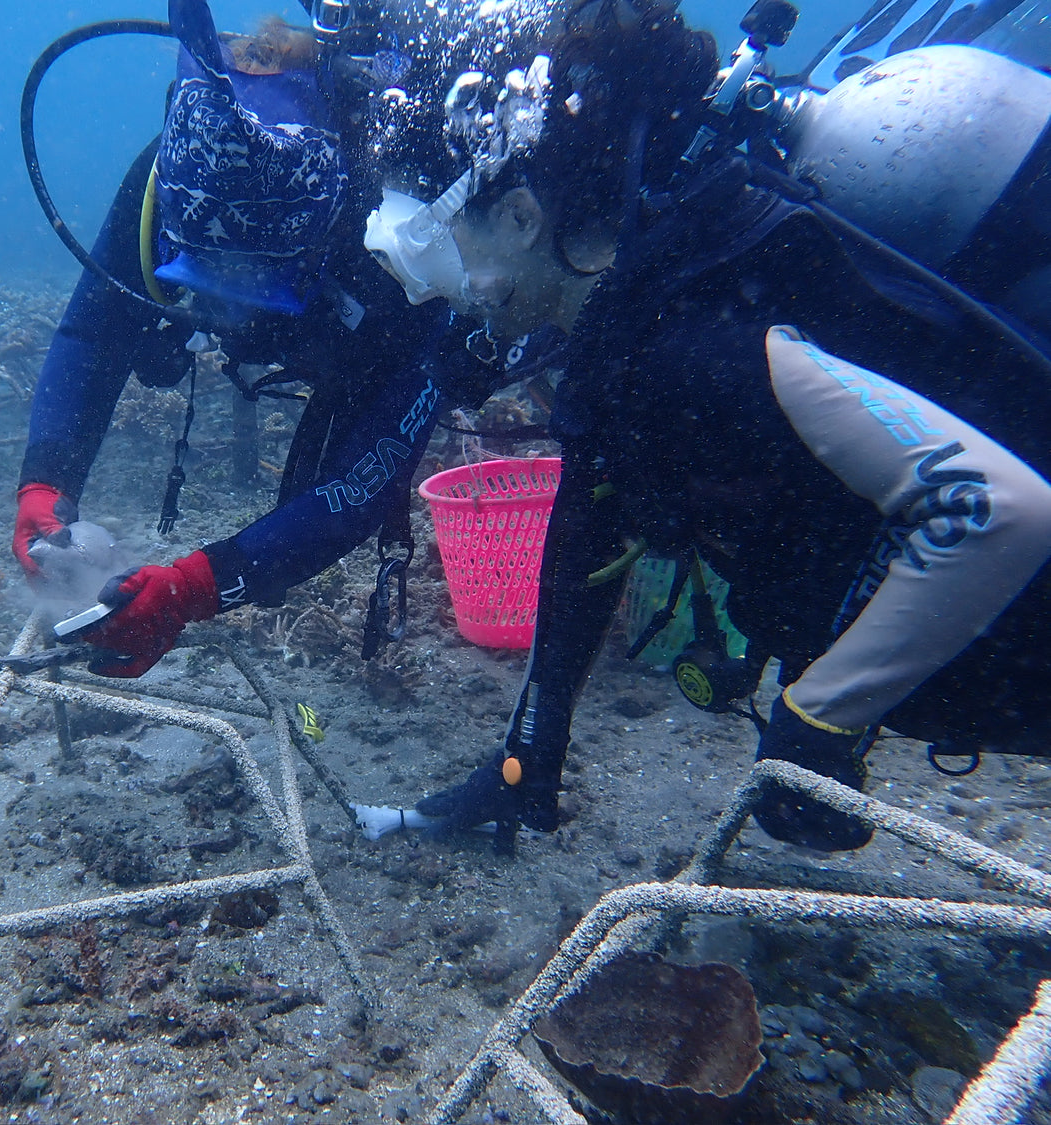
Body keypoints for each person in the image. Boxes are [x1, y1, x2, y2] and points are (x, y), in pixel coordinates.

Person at [363, 0, 1051, 851]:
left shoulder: (685, 349)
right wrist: (527, 759)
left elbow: (995, 508)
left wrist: (819, 718)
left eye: (431, 247)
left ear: (518, 218)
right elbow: (586, 531)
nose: (429, 289)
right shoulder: (631, 324)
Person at [15, 0, 515, 676]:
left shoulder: (402, 256)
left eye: (248, 284)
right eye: (205, 276)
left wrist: (193, 588)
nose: (224, 312)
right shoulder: (178, 170)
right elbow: (92, 333)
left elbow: (356, 489)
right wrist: (42, 488)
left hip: (396, 335)